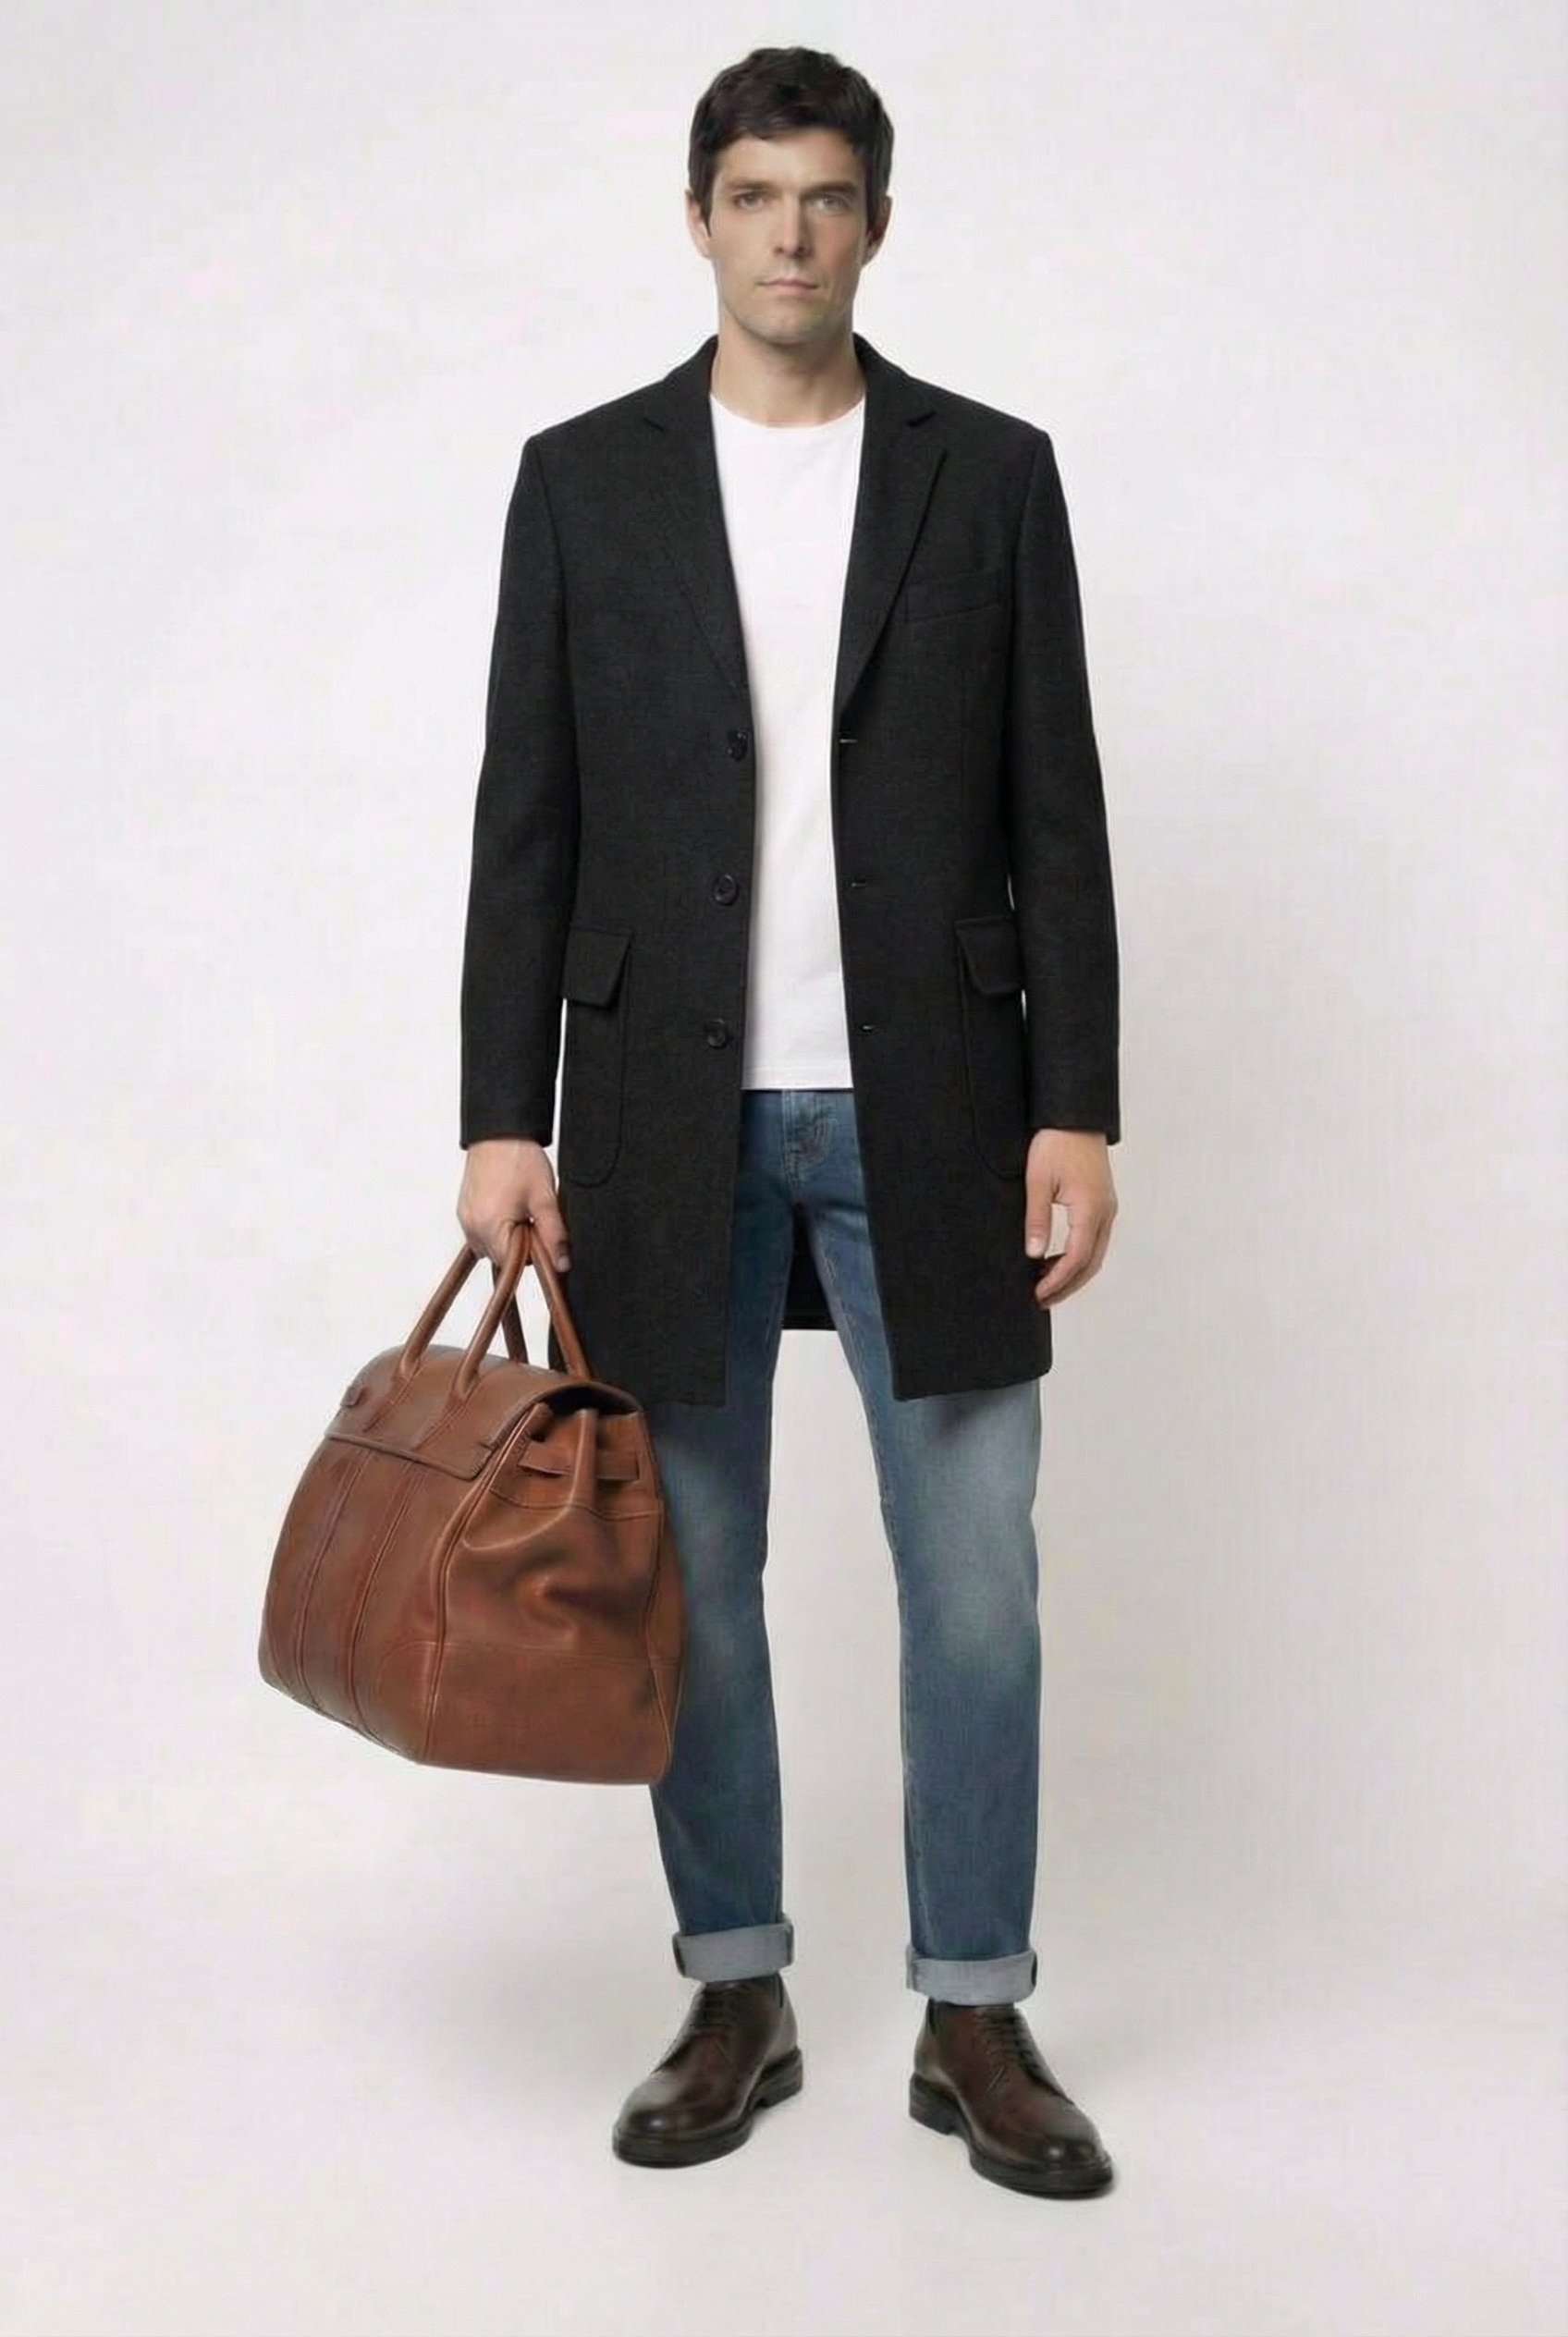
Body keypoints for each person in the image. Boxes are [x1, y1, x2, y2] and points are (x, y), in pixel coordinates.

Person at [456, 45, 1121, 2199]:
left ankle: (974, 2008)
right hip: (661, 1114)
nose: (789, 234)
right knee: (691, 1588)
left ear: (875, 224)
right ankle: (734, 1989)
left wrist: (1076, 1104)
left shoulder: (986, 474)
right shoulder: (584, 480)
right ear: (697, 218)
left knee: (974, 1591)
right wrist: (500, 1114)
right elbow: (526, 818)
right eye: (752, 195)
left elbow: (1052, 804)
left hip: (937, 1104)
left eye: (825, 196)